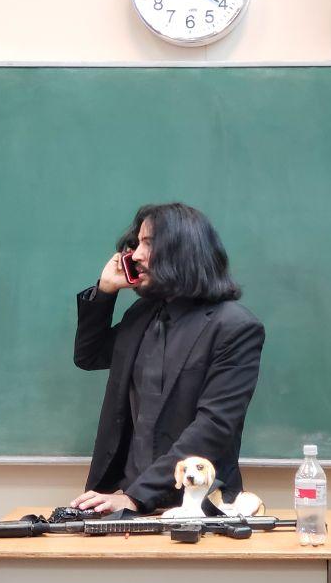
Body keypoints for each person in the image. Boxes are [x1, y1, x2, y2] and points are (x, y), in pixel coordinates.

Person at [70, 203, 265, 515]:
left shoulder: (234, 327)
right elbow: (89, 355)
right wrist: (105, 291)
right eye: (136, 244)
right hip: (128, 499)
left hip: (198, 505)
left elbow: (214, 426)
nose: (135, 255)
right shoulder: (142, 315)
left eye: (148, 244)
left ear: (181, 251)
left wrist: (136, 497)